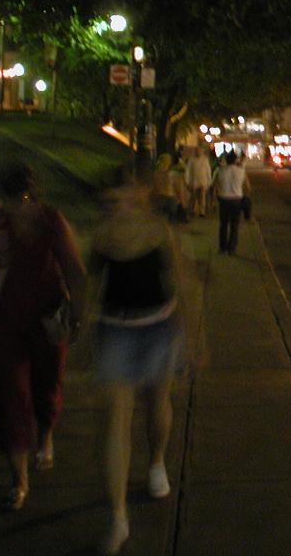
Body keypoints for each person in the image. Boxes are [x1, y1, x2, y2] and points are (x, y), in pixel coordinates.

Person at [0, 161, 86, 511]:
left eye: (25, 197)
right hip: (5, 321)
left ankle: (46, 435)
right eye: (13, 198)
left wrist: (77, 314)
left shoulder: (52, 221)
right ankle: (19, 478)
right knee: (11, 396)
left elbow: (74, 267)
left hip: (46, 318)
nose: (20, 206)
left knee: (48, 384)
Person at [89, 189, 187, 555]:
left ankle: (157, 461)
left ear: (142, 205)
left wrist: (196, 337)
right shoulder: (101, 237)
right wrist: (83, 331)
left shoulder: (160, 233)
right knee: (115, 418)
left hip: (159, 327)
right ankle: (117, 516)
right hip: (115, 328)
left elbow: (183, 282)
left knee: (157, 402)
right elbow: (91, 285)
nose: (120, 209)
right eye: (112, 202)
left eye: (128, 201)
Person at [214, 150, 250, 255]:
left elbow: (216, 185)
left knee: (223, 225)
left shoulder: (221, 171)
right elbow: (248, 187)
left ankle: (222, 248)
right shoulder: (241, 171)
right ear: (235, 160)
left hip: (224, 199)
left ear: (227, 160)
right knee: (234, 225)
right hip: (236, 200)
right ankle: (232, 249)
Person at [185, 145, 212, 218]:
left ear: (202, 152)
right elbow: (188, 171)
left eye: (200, 151)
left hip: (203, 182)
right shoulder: (191, 160)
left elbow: (208, 171)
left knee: (202, 197)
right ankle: (193, 210)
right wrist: (187, 181)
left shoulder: (205, 160)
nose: (199, 152)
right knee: (193, 197)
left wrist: (209, 181)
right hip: (194, 182)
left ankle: (202, 212)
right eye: (197, 151)